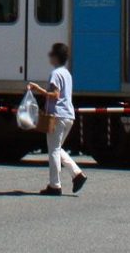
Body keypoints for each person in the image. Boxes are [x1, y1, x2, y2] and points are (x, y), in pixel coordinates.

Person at [27, 42, 88, 196]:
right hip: (68, 115)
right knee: (57, 148)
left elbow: (55, 95)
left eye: (51, 54)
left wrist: (38, 89)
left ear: (55, 57)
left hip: (57, 115)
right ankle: (77, 174)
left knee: (53, 150)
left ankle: (55, 185)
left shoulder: (55, 74)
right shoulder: (67, 73)